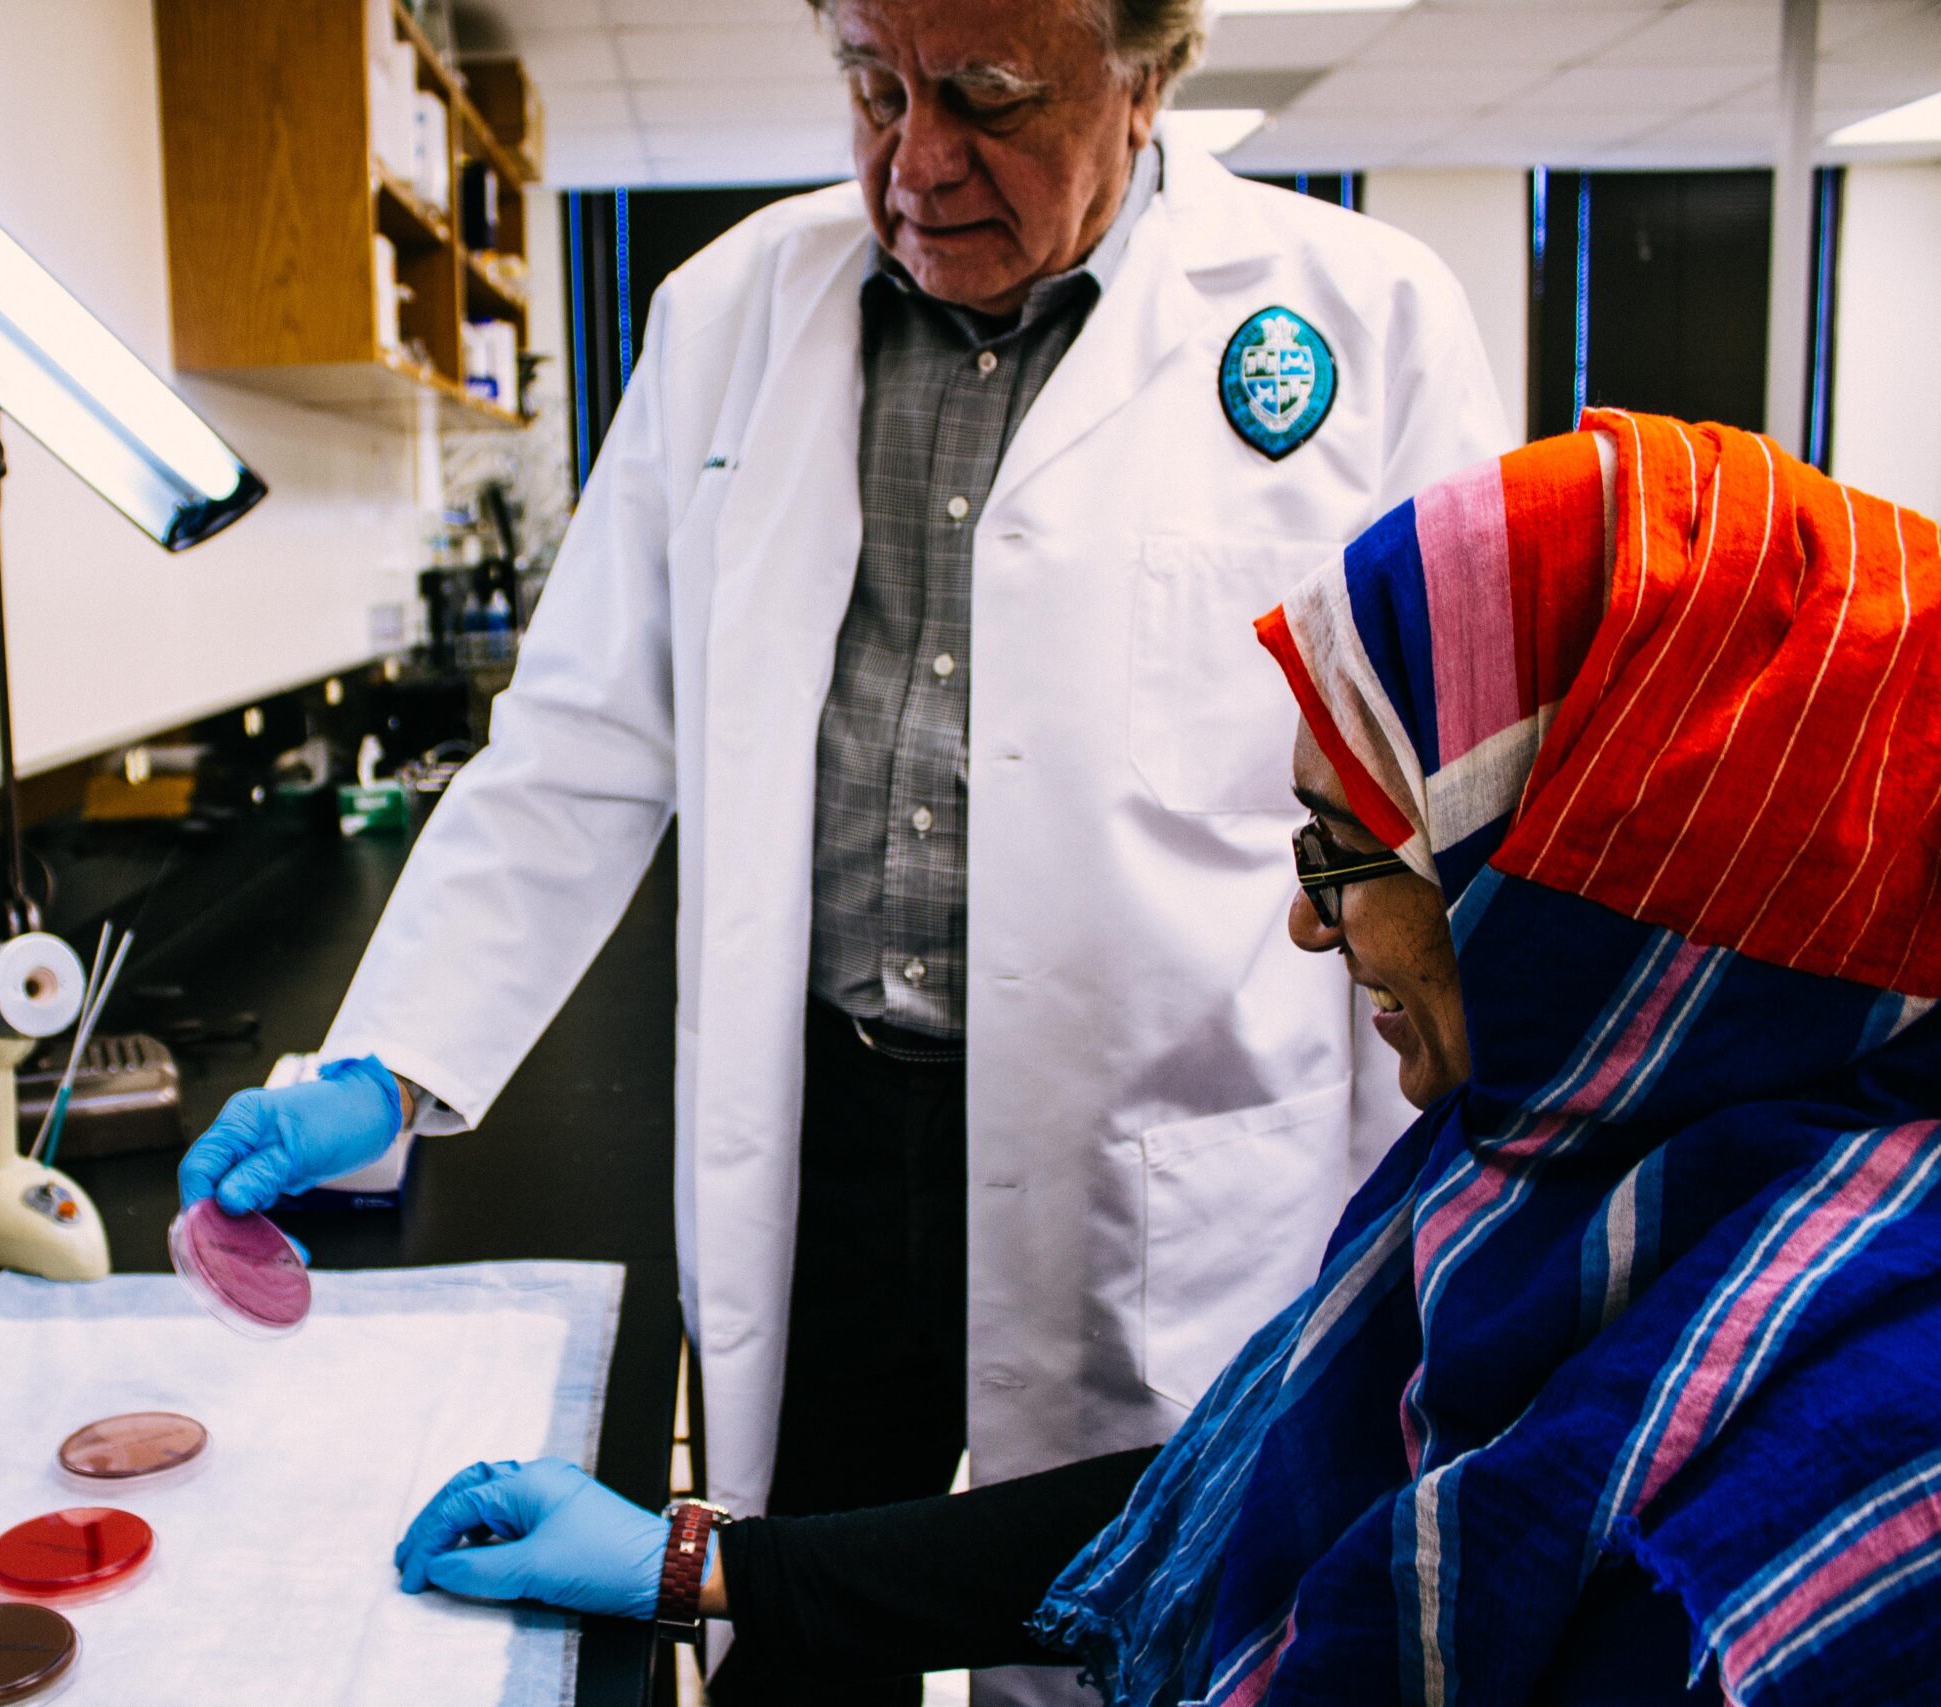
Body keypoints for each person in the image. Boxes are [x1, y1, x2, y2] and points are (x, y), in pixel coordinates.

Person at [183, 1, 1504, 1697]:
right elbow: (589, 730)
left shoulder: (1359, 319)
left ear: (1152, 68)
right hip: (830, 1130)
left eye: (989, 97)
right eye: (873, 89)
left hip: (1171, 1147)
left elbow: (1463, 777)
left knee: (1142, 1622)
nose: (916, 160)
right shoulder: (728, 308)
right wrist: (393, 1056)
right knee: (797, 1615)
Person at [390, 413, 1941, 1704]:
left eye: (1348, 853)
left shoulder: (1839, 1464)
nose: (1311, 933)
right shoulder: (1565, 1169)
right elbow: (1232, 1478)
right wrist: (691, 1558)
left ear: (1564, 881)